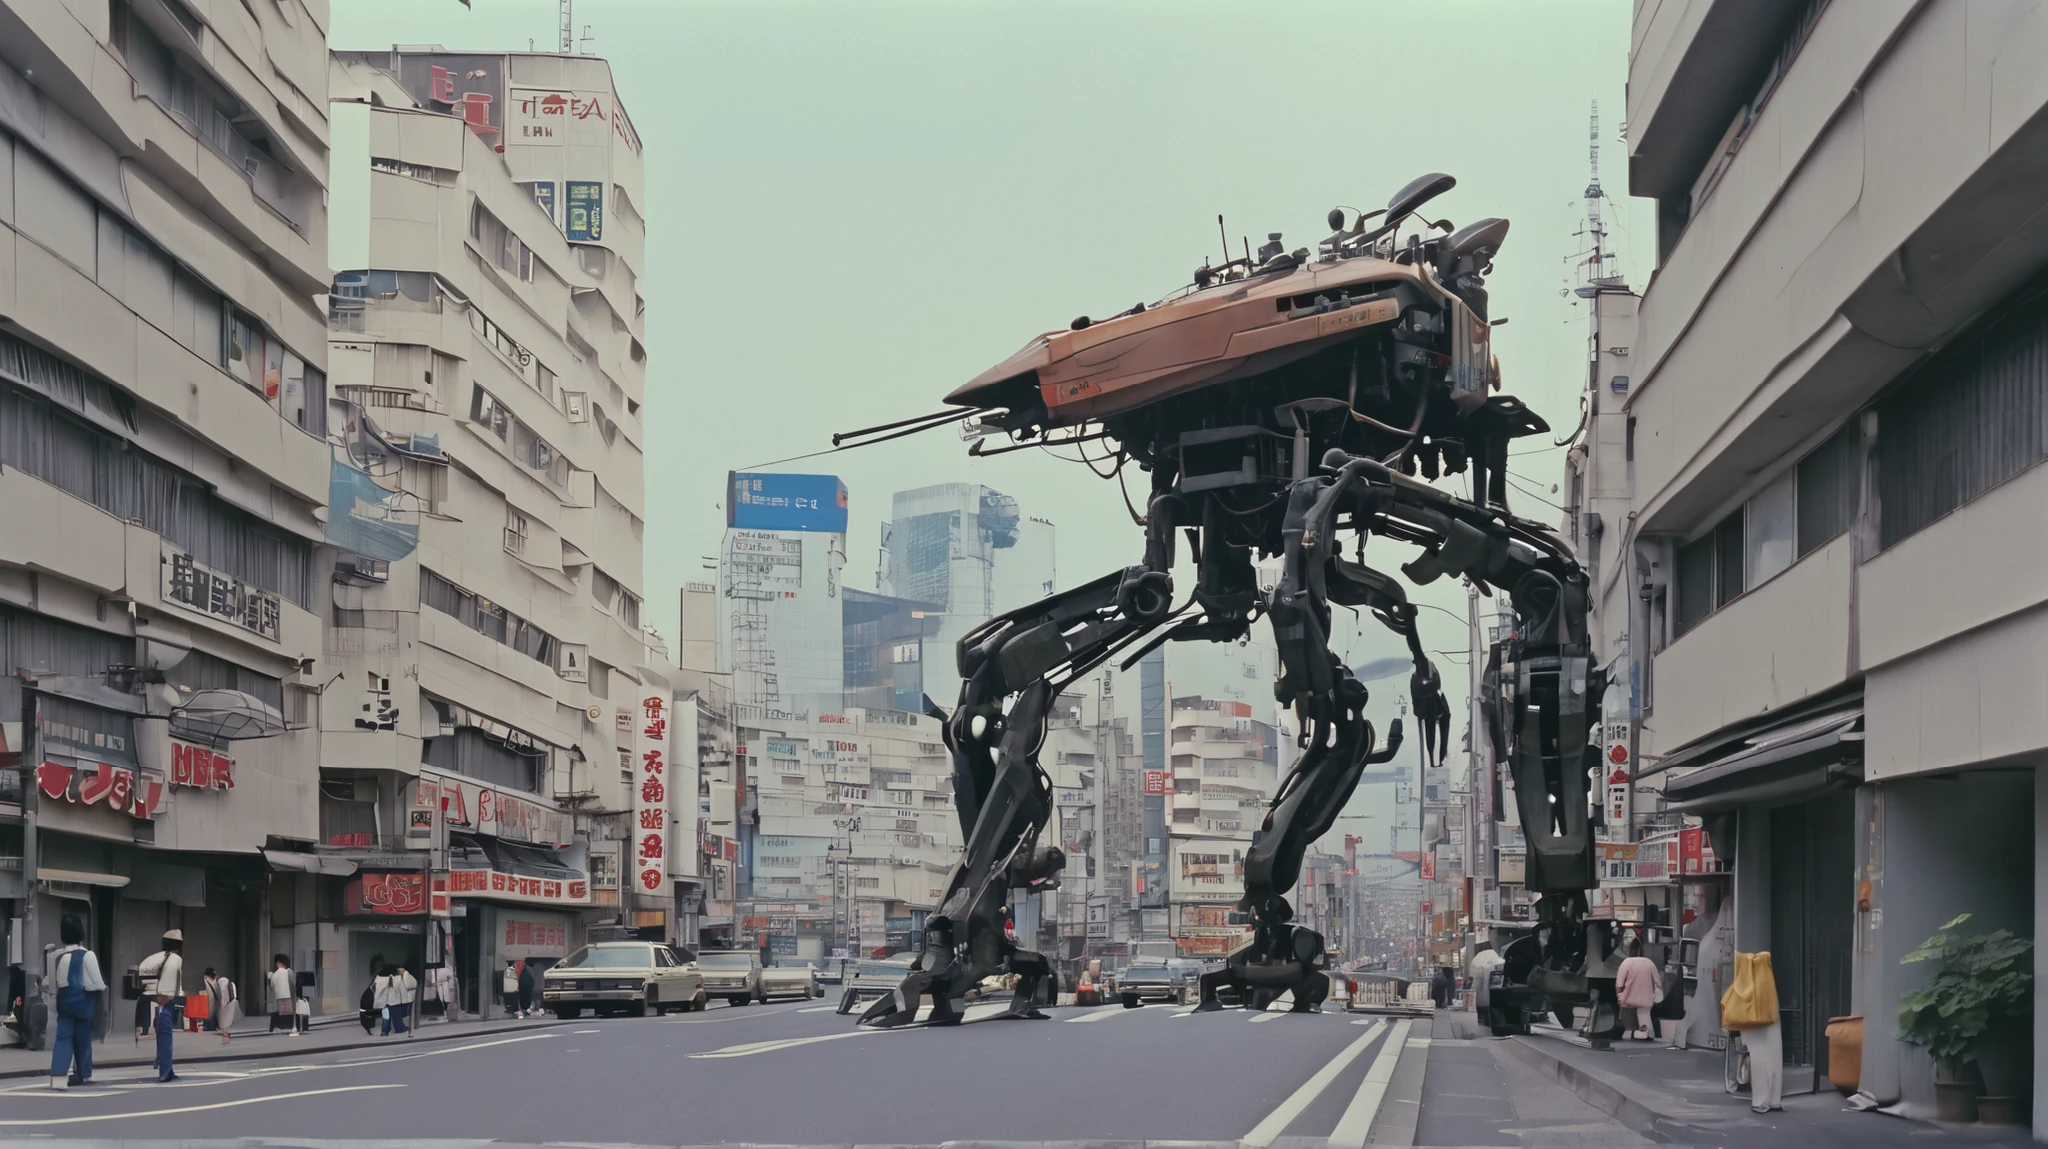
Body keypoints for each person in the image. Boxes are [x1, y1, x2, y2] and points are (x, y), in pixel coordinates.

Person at [47, 915, 104, 1089]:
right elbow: (97, 983)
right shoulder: (88, 955)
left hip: (64, 1004)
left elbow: (50, 983)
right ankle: (83, 1073)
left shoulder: (56, 957)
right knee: (83, 1040)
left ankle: (58, 1076)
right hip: (83, 1003)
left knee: (63, 1039)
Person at [144, 929, 184, 1083]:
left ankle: (166, 1068)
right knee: (166, 1038)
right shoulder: (176, 960)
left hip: (154, 1000)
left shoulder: (155, 958)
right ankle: (165, 1072)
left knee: (161, 1037)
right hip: (167, 1001)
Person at [1615, 938, 1661, 1042]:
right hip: (1646, 1000)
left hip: (1628, 1000)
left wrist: (1620, 997)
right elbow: (1658, 982)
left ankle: (1632, 1032)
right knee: (1645, 1016)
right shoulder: (1649, 963)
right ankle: (1646, 1033)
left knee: (1629, 1024)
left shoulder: (1626, 963)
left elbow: (1619, 984)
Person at [202, 968, 236, 1046]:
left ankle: (222, 1034)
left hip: (216, 1008)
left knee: (222, 1020)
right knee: (222, 1021)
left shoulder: (217, 982)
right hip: (219, 1007)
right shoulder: (217, 982)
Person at [268, 955, 298, 1036]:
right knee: (289, 1012)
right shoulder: (289, 972)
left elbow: (272, 987)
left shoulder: (274, 975)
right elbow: (293, 984)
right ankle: (291, 1026)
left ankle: (278, 1027)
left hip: (278, 997)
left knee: (280, 1012)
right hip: (289, 996)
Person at [389, 965, 417, 1034]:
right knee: (397, 1013)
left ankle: (399, 1027)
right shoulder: (393, 978)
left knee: (398, 1013)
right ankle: (399, 1028)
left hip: (398, 1000)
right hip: (396, 1000)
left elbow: (412, 984)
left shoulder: (402, 977)